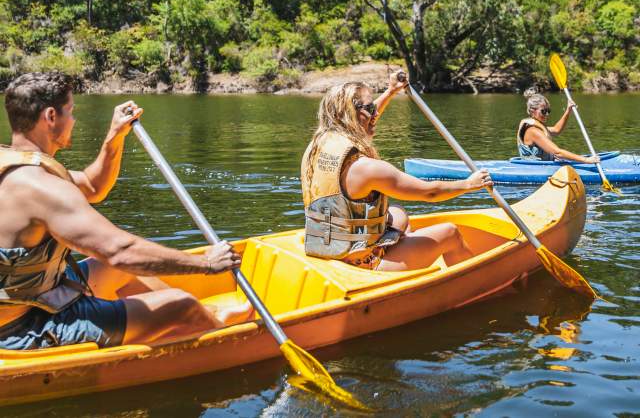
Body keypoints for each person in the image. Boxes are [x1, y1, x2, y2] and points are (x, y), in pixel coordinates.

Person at [0, 72, 252, 351]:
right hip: (25, 328)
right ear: (50, 116)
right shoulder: (44, 188)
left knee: (112, 271)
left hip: (36, 297)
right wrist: (207, 264)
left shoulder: (15, 167)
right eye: (70, 112)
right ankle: (208, 326)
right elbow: (120, 251)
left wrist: (115, 136)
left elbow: (94, 187)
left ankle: (207, 319)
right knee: (182, 305)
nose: (73, 120)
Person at [300, 72, 493, 272]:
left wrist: (391, 91)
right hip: (364, 263)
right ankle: (477, 281)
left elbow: (368, 118)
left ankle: (408, 255)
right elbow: (430, 192)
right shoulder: (366, 168)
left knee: (398, 214)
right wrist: (469, 184)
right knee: (450, 233)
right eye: (370, 108)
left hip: (327, 249)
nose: (375, 114)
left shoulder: (318, 145)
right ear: (351, 114)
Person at [516, 90, 599, 164]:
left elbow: (556, 130)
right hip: (536, 169)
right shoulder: (533, 131)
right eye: (543, 111)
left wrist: (568, 110)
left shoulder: (538, 127)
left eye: (548, 111)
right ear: (532, 111)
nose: (547, 114)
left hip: (547, 164)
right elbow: (557, 152)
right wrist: (586, 160)